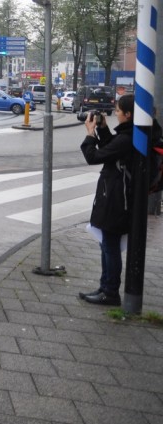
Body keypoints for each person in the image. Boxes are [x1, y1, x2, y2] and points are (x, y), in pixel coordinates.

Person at [78, 95, 140, 306]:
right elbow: (111, 150)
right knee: (107, 244)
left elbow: (94, 157)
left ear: (128, 114)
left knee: (110, 247)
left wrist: (90, 134)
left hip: (116, 200)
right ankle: (105, 287)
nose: (116, 113)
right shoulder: (130, 135)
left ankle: (110, 292)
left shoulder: (127, 138)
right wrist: (103, 129)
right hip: (115, 196)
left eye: (118, 111)